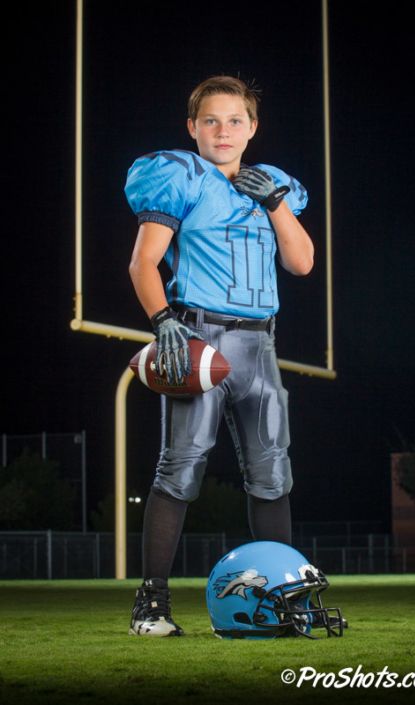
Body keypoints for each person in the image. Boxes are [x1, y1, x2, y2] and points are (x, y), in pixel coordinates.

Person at [124, 75, 314, 636]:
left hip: (262, 345)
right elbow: (143, 263)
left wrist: (276, 204)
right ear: (192, 127)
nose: (223, 130)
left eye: (235, 120)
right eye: (211, 120)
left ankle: (283, 601)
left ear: (252, 128)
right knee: (179, 470)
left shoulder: (274, 184)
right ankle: (151, 605)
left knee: (272, 474)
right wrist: (162, 323)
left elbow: (302, 263)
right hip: (199, 338)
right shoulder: (179, 176)